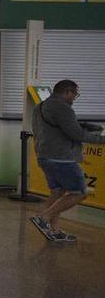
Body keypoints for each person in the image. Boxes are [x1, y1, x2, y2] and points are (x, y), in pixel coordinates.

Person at [30, 79, 105, 243]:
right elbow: (77, 135)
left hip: (44, 156)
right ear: (67, 92)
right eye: (74, 94)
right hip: (62, 158)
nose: (74, 98)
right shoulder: (62, 108)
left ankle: (54, 230)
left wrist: (80, 127)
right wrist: (101, 139)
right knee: (79, 193)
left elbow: (57, 129)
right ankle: (43, 217)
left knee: (58, 193)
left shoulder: (40, 107)